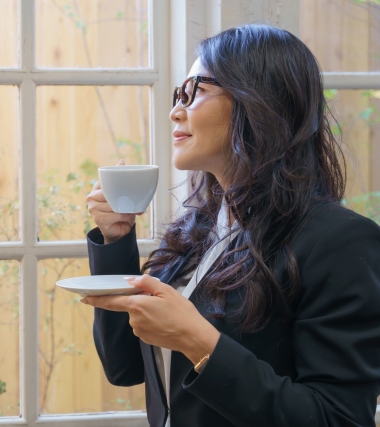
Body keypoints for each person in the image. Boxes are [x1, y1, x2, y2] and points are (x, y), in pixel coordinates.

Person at [81, 24, 380, 427]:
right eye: (178, 95)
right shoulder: (197, 233)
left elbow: (337, 419)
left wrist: (198, 340)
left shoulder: (341, 242)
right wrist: (116, 240)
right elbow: (125, 368)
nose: (176, 110)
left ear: (259, 101)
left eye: (196, 90)